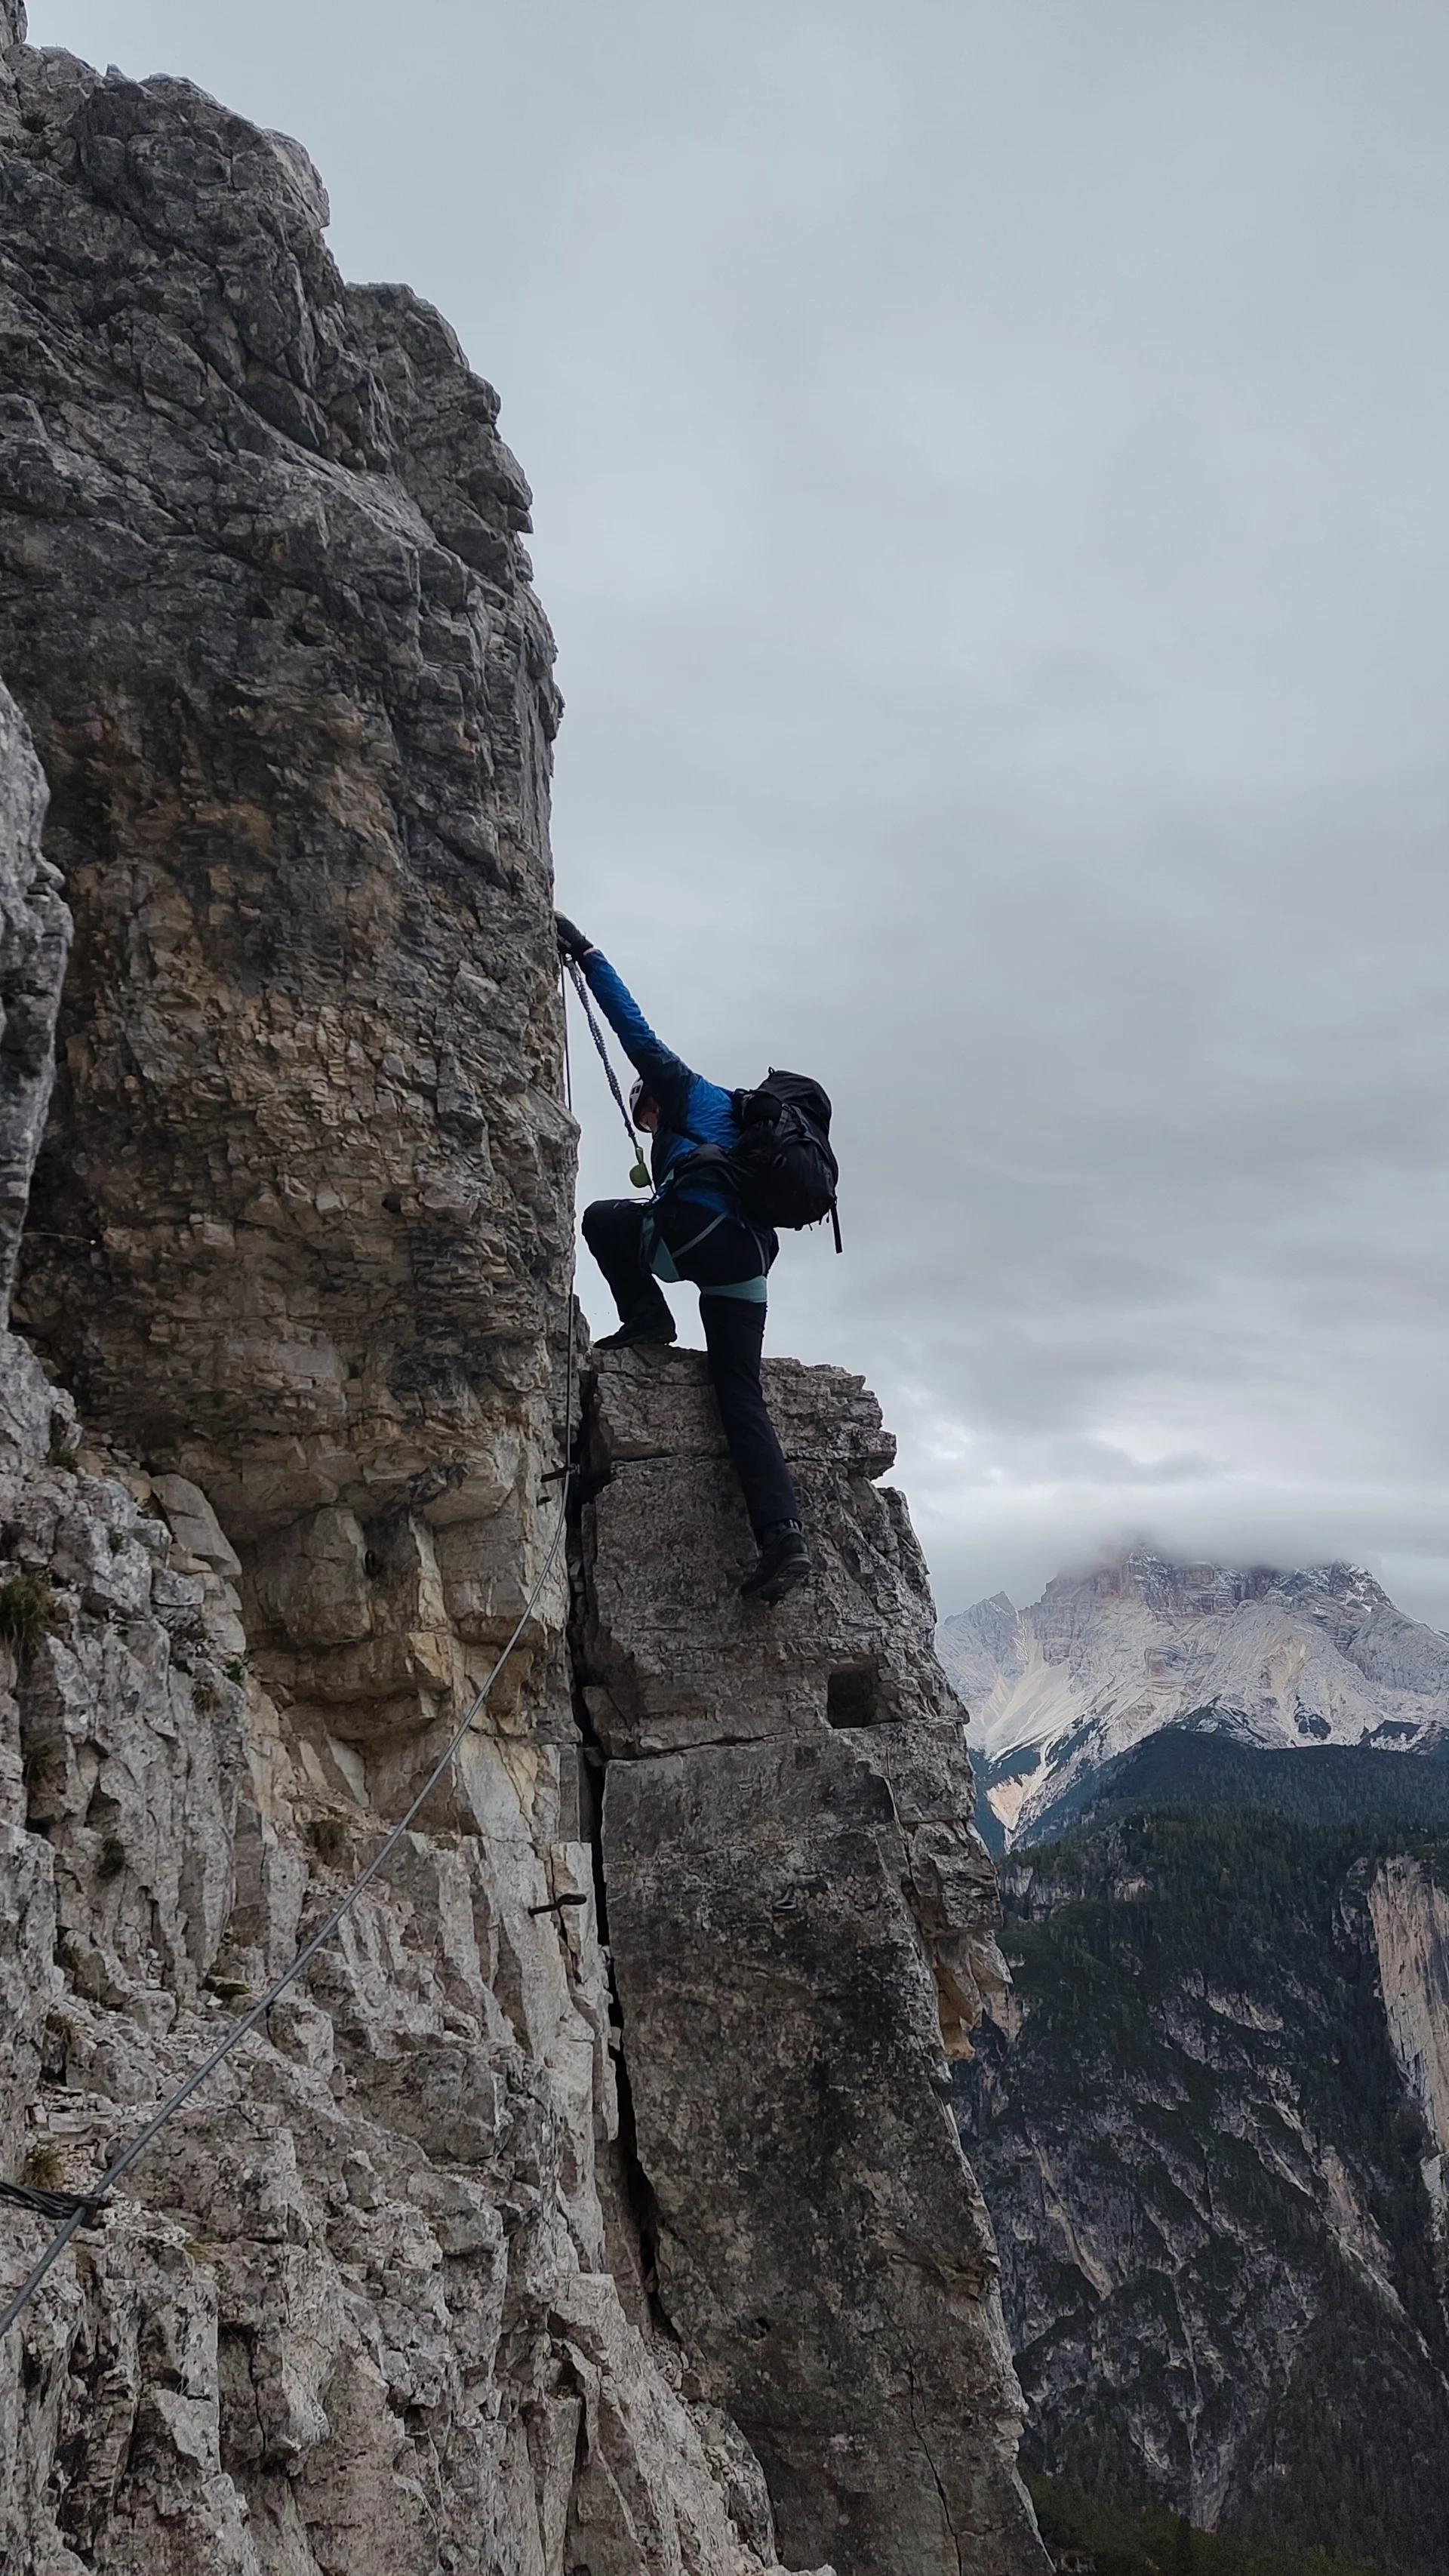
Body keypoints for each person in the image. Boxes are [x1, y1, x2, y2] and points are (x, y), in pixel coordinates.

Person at [555, 913, 811, 1608]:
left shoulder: (684, 1089)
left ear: (651, 1100)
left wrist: (587, 954)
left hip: (698, 1237)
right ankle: (782, 1536)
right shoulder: (740, 1121)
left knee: (604, 1218)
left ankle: (646, 1318)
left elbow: (632, 1029)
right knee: (739, 1392)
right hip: (749, 1263)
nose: (645, 1122)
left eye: (644, 1113)